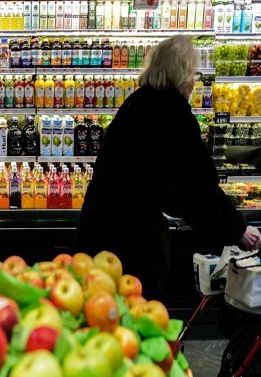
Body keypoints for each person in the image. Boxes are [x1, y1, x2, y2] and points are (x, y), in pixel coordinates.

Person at [72, 35, 261, 300]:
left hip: (98, 231)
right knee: (132, 314)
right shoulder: (172, 113)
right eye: (193, 74)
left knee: (94, 308)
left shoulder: (137, 103)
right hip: (129, 245)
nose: (194, 82)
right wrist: (237, 229)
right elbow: (196, 188)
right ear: (182, 74)